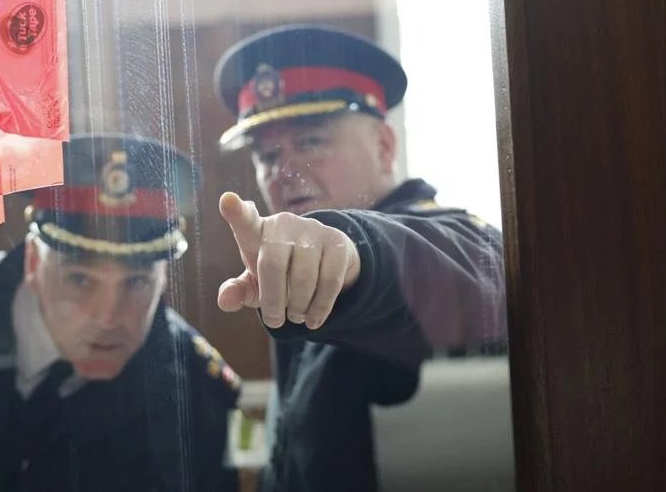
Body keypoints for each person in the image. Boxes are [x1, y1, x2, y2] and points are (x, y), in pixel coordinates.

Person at [210, 24, 507, 492]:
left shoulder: (448, 240)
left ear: (385, 146)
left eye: (311, 142)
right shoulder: (289, 268)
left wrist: (355, 254)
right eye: (266, 155)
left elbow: (469, 263)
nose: (283, 172)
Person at [0, 134, 242, 492]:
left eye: (136, 283)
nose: (108, 317)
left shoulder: (193, 388)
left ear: (162, 280)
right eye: (79, 279)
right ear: (31, 261)